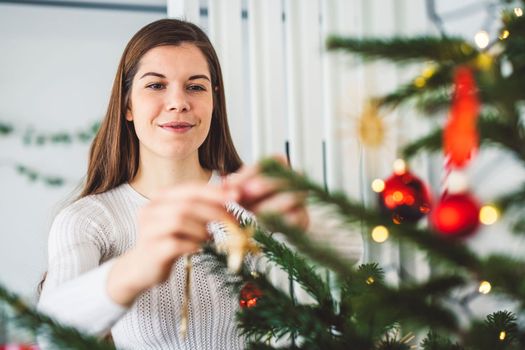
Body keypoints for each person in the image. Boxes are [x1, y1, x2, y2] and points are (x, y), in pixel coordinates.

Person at [38, 18, 363, 350]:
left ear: (213, 102)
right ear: (127, 105)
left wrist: (302, 220)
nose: (179, 102)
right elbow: (49, 336)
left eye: (195, 86)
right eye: (156, 85)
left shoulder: (246, 201)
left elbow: (355, 253)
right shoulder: (89, 220)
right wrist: (138, 265)